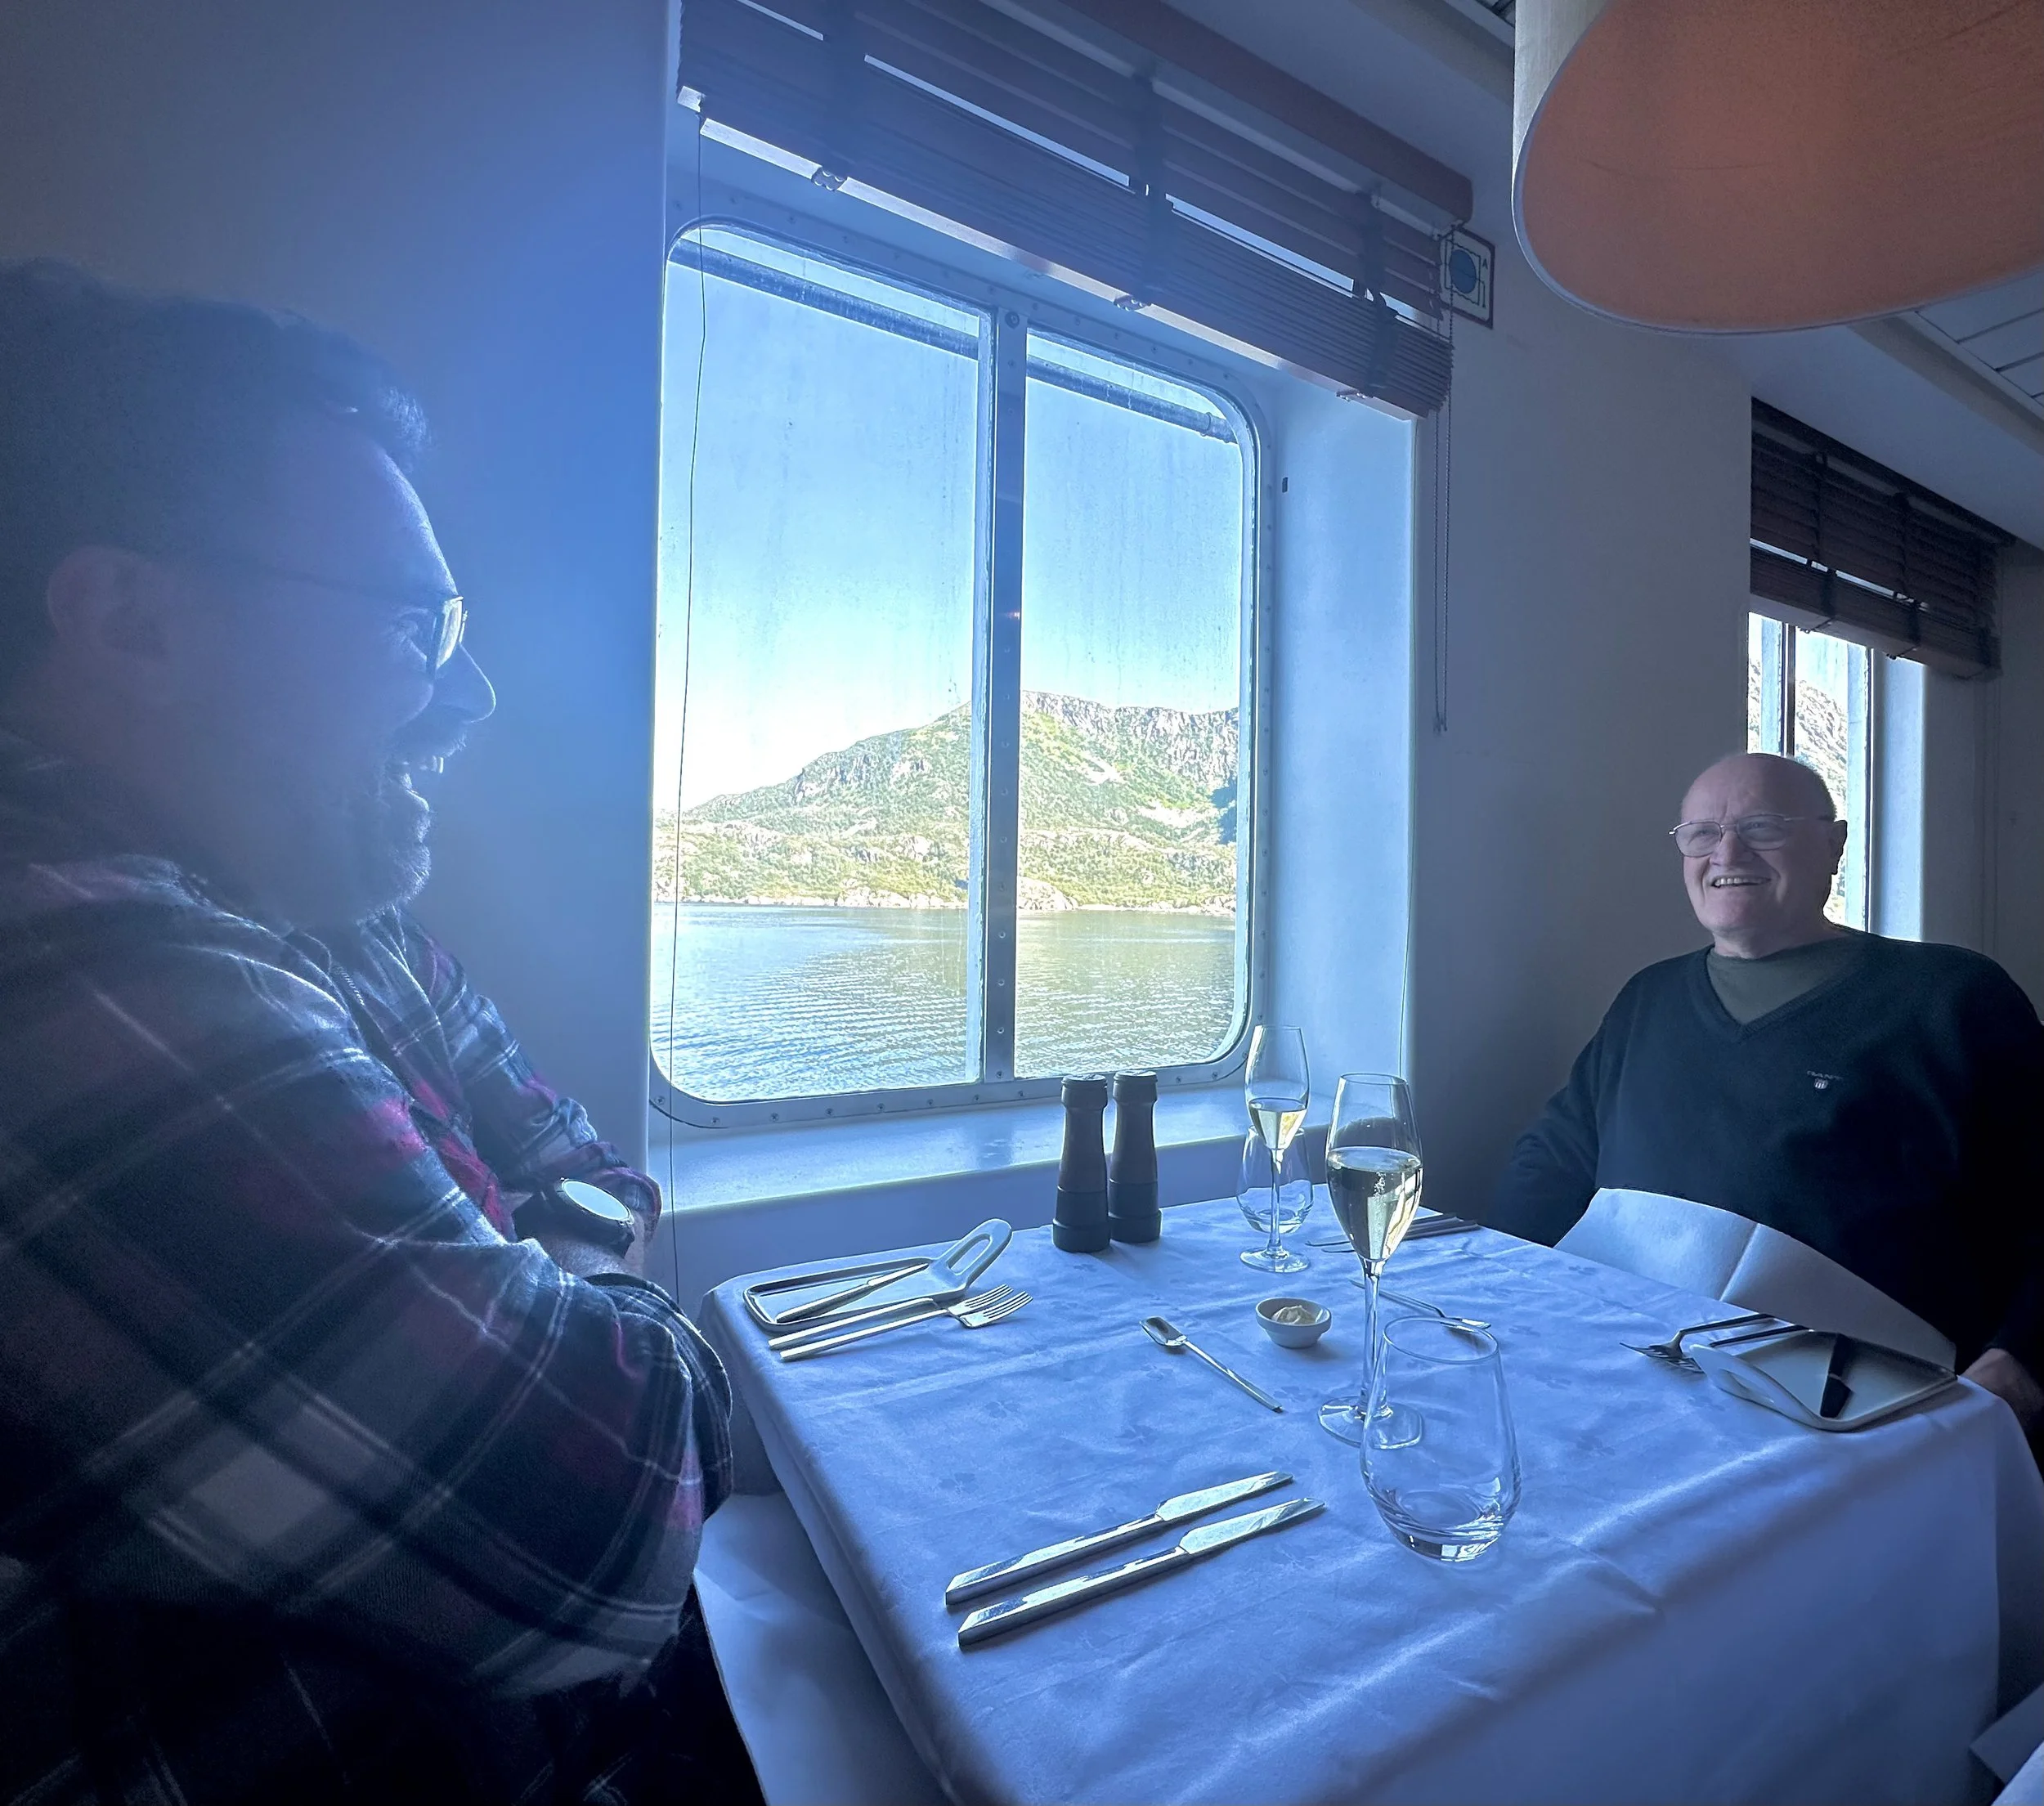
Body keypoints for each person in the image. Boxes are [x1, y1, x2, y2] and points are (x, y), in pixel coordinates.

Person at [0, 263, 757, 1804]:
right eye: (413, 622)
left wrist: (535, 1275)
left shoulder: (328, 917)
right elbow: (607, 1503)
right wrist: (576, 1296)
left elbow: (583, 1156)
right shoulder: (81, 971)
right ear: (133, 622)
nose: (466, 688)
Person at [1490, 750, 2044, 1434]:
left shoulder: (1952, 998)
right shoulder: (1649, 998)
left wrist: (2021, 1356)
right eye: (1701, 833)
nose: (1727, 850)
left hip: (1869, 1413)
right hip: (1629, 1382)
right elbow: (1552, 1163)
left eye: (1764, 825)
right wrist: (1498, 1299)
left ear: (1835, 845)